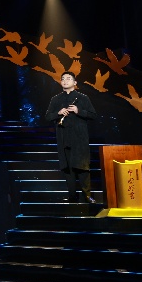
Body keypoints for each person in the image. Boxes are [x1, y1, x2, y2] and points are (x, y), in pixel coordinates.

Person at [44, 71, 97, 203]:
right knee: (67, 168)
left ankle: (87, 196)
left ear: (75, 82)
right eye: (63, 79)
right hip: (63, 137)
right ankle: (72, 196)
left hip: (80, 138)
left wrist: (79, 111)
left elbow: (93, 115)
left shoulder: (83, 98)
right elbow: (48, 116)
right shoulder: (55, 99)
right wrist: (58, 113)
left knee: (82, 167)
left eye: (68, 78)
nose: (65, 81)